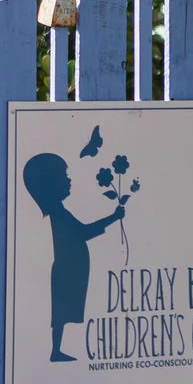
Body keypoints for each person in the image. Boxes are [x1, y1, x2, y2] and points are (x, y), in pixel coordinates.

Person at [21, 152, 124, 363]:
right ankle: (56, 351)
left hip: (70, 267)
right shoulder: (58, 213)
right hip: (66, 269)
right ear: (51, 183)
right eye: (64, 176)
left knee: (64, 312)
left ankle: (57, 350)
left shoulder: (59, 210)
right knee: (61, 313)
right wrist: (113, 217)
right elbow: (83, 232)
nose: (69, 180)